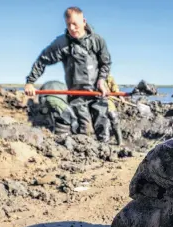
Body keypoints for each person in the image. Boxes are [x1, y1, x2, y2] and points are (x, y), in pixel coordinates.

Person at [24, 6, 112, 141]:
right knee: (83, 128)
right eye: (68, 25)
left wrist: (101, 80)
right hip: (76, 94)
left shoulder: (97, 41)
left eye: (75, 24)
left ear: (84, 21)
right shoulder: (62, 43)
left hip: (97, 91)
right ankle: (81, 155)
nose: (72, 28)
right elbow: (42, 60)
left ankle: (106, 154)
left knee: (103, 124)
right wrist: (30, 82)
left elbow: (105, 63)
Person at [104, 74, 123, 145]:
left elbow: (114, 87)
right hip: (98, 103)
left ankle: (120, 142)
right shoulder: (93, 75)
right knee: (104, 123)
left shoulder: (109, 76)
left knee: (115, 120)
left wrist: (120, 96)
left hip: (109, 102)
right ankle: (105, 144)